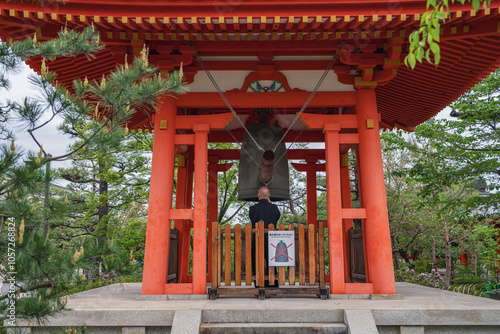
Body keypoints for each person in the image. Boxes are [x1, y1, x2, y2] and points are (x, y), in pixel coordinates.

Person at [249, 186, 280, 287]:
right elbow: (277, 217)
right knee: (272, 259)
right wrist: (269, 203)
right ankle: (273, 283)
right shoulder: (274, 208)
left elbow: (252, 219)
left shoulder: (253, 209)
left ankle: (258, 283)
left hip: (257, 237)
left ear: (258, 195)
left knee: (256, 259)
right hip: (271, 237)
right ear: (269, 195)